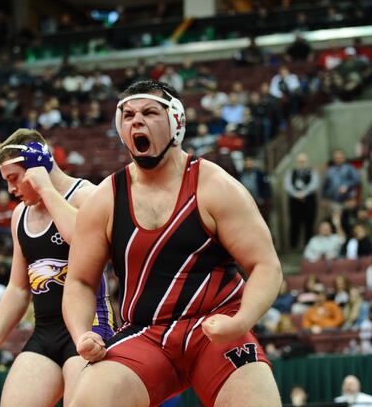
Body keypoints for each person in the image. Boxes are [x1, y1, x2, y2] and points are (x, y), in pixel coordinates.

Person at [63, 80, 282, 406]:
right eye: (128, 115)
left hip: (212, 327)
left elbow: (265, 266)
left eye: (150, 112)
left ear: (176, 122)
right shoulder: (106, 199)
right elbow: (80, 280)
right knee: (89, 399)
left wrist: (241, 320)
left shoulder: (214, 186)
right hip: (145, 333)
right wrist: (83, 333)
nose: (136, 121)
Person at [0, 129, 115, 407]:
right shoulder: (20, 215)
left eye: (13, 178)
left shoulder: (87, 196)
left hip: (88, 329)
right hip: (45, 332)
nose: (10, 190)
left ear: (38, 165)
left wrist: (46, 189)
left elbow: (79, 238)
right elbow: (18, 288)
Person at [284, 153, 320, 250]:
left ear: (307, 162)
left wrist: (304, 193)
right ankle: (293, 247)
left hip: (309, 200)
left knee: (309, 223)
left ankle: (309, 246)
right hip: (294, 201)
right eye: (300, 161)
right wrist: (296, 194)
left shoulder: (312, 172)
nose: (301, 163)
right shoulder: (291, 172)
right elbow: (287, 186)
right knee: (294, 223)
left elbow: (314, 184)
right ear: (296, 162)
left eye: (303, 161)